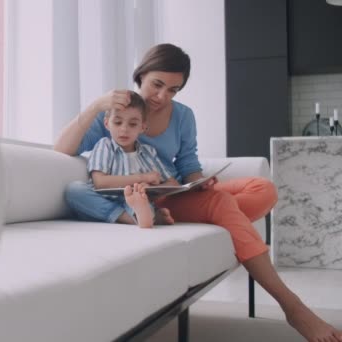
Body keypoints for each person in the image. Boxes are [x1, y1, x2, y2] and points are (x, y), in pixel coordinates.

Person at [54, 43, 342, 342]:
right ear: (140, 76)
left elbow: (189, 163)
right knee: (221, 205)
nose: (162, 96)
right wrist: (94, 106)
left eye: (173, 89)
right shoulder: (121, 113)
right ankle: (293, 308)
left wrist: (199, 182)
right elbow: (62, 149)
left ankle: (214, 214)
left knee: (263, 189)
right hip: (147, 199)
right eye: (157, 84)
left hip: (178, 193)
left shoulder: (182, 115)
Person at [66, 91, 177, 228]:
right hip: (105, 201)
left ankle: (144, 214)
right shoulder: (105, 145)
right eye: (118, 122)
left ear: (142, 127)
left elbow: (173, 183)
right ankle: (135, 219)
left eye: (132, 124)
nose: (124, 129)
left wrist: (153, 187)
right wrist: (143, 177)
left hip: (135, 201)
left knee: (141, 200)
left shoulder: (148, 152)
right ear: (107, 124)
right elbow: (100, 182)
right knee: (74, 190)